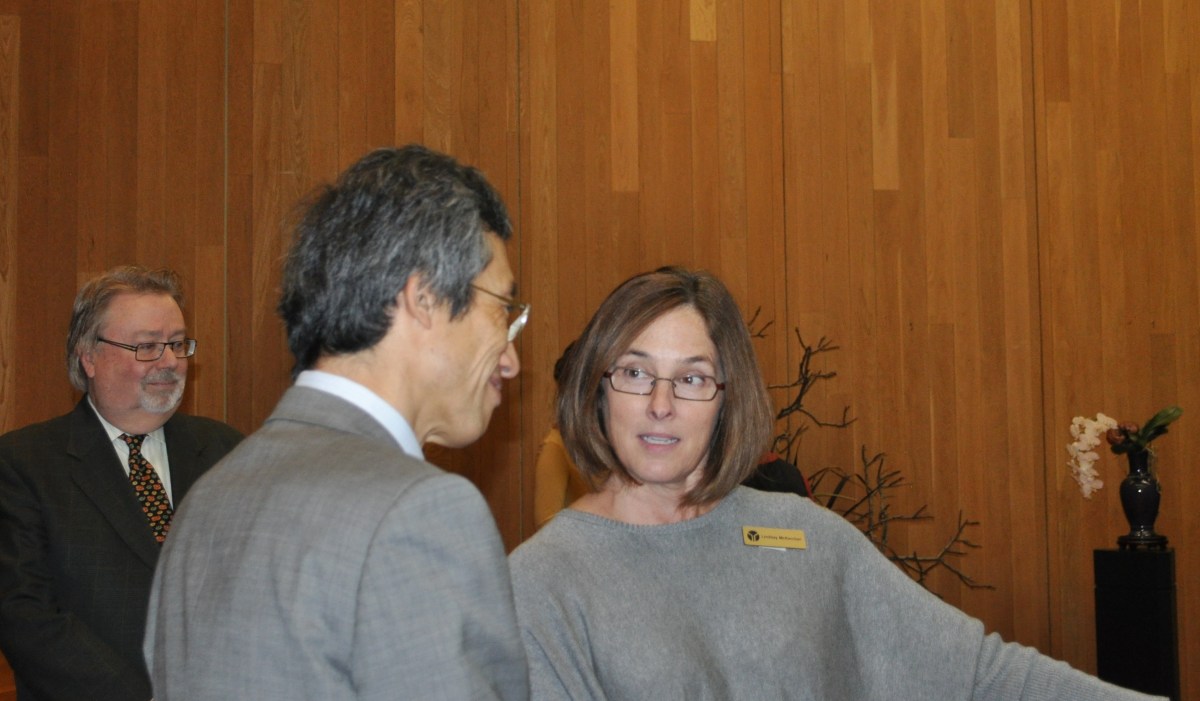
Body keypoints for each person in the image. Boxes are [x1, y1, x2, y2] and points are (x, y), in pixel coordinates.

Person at [509, 266, 1163, 701]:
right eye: (634, 372)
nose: (660, 404)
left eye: (692, 378)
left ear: (727, 398)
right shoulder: (540, 582)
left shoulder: (805, 536)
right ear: (597, 389)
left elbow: (979, 676)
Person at [145, 145, 530, 700]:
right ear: (423, 297)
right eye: (502, 310)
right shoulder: (420, 511)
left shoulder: (208, 497)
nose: (511, 360)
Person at [0, 265, 243, 701]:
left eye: (177, 344)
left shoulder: (226, 451)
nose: (170, 362)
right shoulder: (23, 464)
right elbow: (24, 615)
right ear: (89, 357)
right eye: (147, 346)